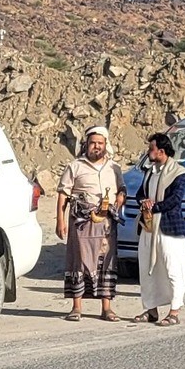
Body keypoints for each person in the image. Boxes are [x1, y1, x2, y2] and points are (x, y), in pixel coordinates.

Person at [58, 126, 122, 321]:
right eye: (93, 143)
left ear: (105, 145)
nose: (96, 147)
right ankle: (76, 307)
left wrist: (120, 198)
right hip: (81, 224)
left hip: (106, 224)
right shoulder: (75, 166)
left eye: (100, 143)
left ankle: (106, 308)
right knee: (79, 261)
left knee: (106, 263)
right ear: (86, 144)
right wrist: (60, 221)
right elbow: (63, 194)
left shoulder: (114, 168)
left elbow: (122, 189)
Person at [134, 132, 185, 325]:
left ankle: (174, 312)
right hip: (149, 226)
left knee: (172, 268)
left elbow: (175, 200)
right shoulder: (150, 171)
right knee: (148, 268)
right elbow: (140, 194)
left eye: (151, 148)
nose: (149, 152)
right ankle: (151, 310)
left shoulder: (178, 173)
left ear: (162, 150)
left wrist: (154, 206)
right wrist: (145, 203)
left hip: (168, 227)